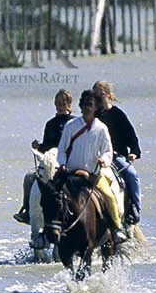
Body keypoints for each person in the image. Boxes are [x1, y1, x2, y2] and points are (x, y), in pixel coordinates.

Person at [53, 90, 125, 242]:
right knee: (51, 193)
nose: (87, 108)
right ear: (80, 106)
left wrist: (103, 161)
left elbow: (107, 151)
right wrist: (63, 164)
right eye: (84, 104)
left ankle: (116, 228)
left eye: (90, 105)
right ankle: (47, 230)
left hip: (92, 175)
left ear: (95, 107)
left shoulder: (101, 128)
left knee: (109, 196)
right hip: (70, 174)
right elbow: (61, 149)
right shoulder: (70, 126)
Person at [13, 88, 75, 225]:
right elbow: (47, 146)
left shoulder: (74, 123)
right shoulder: (50, 124)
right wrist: (38, 146)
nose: (59, 106)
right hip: (50, 161)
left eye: (62, 103)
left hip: (67, 161)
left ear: (69, 104)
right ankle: (28, 212)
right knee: (29, 177)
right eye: (57, 103)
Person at [91, 79, 142, 226]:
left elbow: (131, 136)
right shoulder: (93, 116)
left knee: (132, 175)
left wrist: (134, 152)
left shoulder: (118, 114)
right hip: (96, 157)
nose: (98, 100)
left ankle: (134, 209)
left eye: (99, 96)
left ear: (107, 95)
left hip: (116, 156)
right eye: (95, 97)